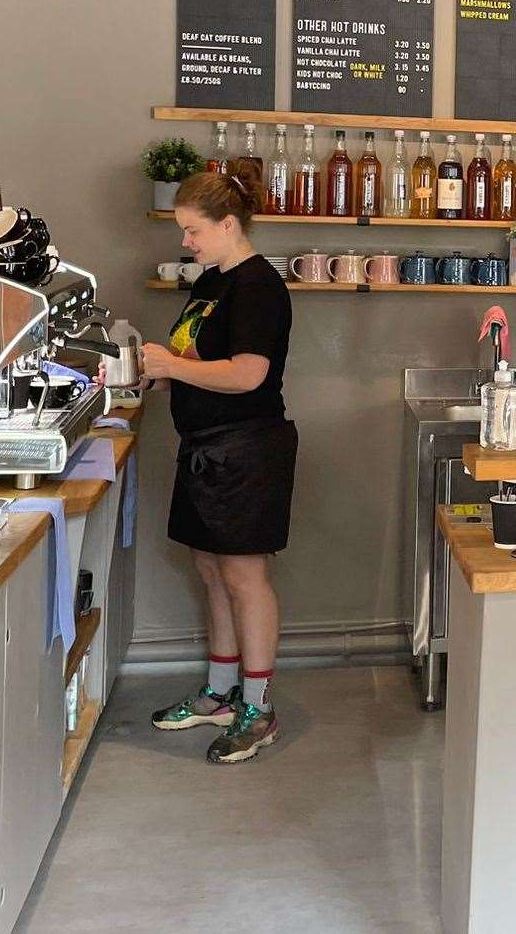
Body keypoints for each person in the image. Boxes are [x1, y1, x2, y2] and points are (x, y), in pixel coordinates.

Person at [141, 170, 296, 764]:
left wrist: (173, 369)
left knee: (244, 577)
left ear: (228, 224)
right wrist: (151, 370)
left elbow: (247, 374)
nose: (187, 242)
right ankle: (219, 692)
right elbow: (190, 353)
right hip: (205, 445)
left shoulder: (258, 287)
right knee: (210, 569)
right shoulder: (211, 281)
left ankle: (259, 707)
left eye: (193, 230)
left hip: (247, 449)